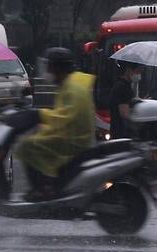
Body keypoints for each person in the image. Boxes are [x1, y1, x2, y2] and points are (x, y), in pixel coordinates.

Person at [15, 48, 96, 201]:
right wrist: (42, 127)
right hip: (71, 134)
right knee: (36, 140)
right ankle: (49, 185)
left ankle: (42, 189)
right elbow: (62, 115)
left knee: (28, 145)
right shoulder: (69, 84)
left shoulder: (73, 88)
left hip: (75, 140)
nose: (48, 71)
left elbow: (64, 116)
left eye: (50, 67)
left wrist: (38, 115)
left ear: (58, 68)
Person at [109, 61, 143, 139]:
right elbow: (124, 114)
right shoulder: (124, 88)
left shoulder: (119, 84)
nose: (139, 75)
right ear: (129, 70)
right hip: (122, 136)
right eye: (138, 71)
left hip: (116, 133)